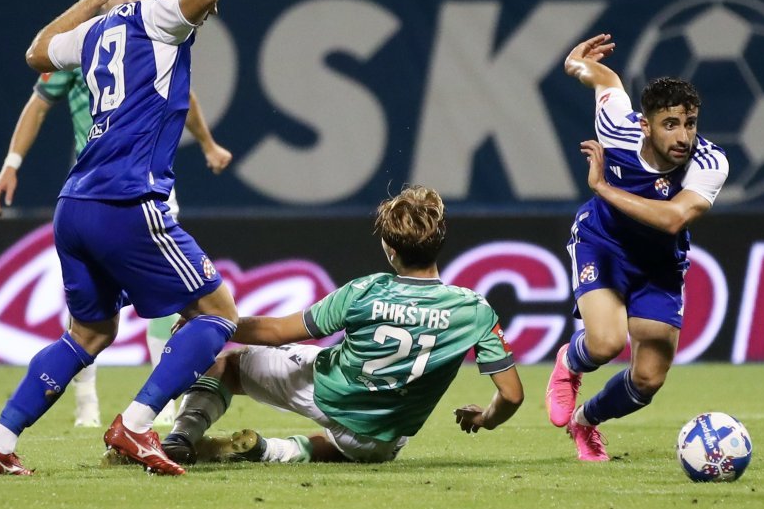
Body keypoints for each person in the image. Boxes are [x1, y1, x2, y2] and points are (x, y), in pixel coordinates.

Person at [0, 0, 238, 476]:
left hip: (76, 204)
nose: (204, 6)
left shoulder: (98, 28)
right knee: (217, 314)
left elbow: (37, 51)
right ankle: (137, 424)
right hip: (126, 200)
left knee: (89, 333)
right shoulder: (161, 16)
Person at [151, 185, 523, 465]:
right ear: (440, 241)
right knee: (359, 445)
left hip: (328, 395)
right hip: (382, 440)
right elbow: (511, 394)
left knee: (227, 366)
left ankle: (182, 437)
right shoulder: (473, 309)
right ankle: (269, 451)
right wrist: (485, 418)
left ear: (390, 249)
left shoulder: (364, 291)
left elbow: (277, 331)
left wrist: (213, 319)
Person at [544, 33, 729, 462]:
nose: (684, 136)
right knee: (606, 343)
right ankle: (570, 364)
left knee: (647, 380)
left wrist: (602, 188)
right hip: (601, 244)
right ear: (645, 125)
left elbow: (673, 218)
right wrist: (575, 62)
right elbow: (604, 79)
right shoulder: (616, 127)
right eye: (670, 124)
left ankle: (586, 422)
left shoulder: (709, 162)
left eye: (690, 123)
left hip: (660, 263)